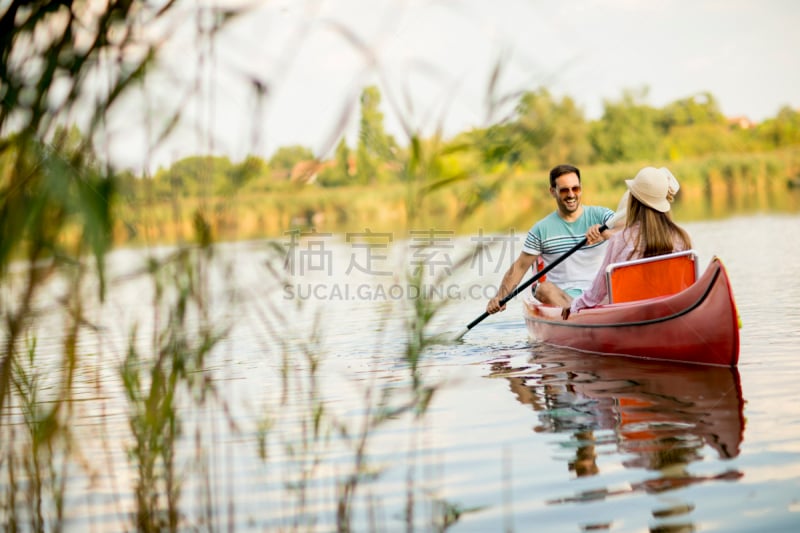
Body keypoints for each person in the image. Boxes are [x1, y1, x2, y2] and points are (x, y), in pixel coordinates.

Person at [562, 166, 692, 319]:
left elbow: (596, 293)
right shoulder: (682, 237)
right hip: (672, 310)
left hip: (629, 315)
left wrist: (575, 305)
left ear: (633, 202)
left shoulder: (619, 240)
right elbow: (688, 286)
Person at [486, 164, 616, 314]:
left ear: (581, 188)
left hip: (601, 292)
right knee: (543, 288)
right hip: (563, 296)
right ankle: (578, 312)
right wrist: (499, 297)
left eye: (576, 188)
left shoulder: (602, 216)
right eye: (564, 190)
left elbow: (628, 235)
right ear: (552, 192)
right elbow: (520, 267)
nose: (571, 195)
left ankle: (582, 311)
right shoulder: (540, 230)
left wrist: (605, 234)